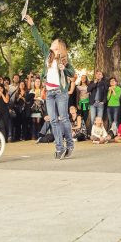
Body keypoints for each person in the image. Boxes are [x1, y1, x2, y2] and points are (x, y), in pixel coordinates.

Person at [25, 14, 75, 159]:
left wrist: (63, 68)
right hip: (50, 92)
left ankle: (70, 144)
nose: (51, 44)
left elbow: (72, 73)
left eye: (54, 43)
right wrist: (32, 24)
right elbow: (39, 40)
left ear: (59, 46)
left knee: (64, 119)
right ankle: (59, 148)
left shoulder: (65, 59)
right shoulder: (48, 55)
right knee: (53, 120)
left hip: (61, 92)